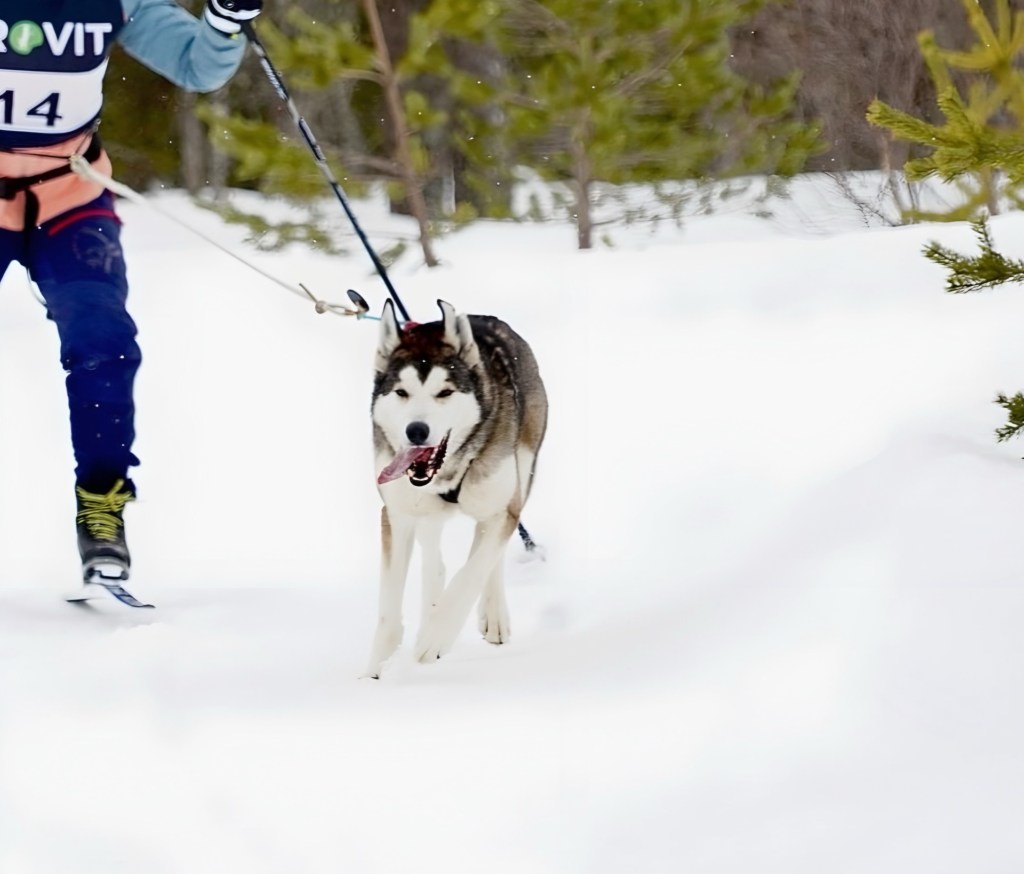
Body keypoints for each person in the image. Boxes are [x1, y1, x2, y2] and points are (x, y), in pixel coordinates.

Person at [0, 0, 262, 585]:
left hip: (68, 191)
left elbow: (198, 66)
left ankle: (101, 504)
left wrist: (223, 21)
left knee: (104, 340)